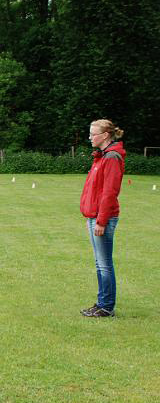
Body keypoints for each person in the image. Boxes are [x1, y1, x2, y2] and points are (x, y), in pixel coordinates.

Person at [79, 119, 125, 317]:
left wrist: (101, 221)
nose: (90, 137)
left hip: (102, 218)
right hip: (94, 216)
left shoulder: (112, 157)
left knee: (104, 263)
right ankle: (101, 303)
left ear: (105, 135)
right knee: (100, 263)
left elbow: (109, 193)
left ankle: (106, 306)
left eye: (93, 134)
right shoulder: (101, 157)